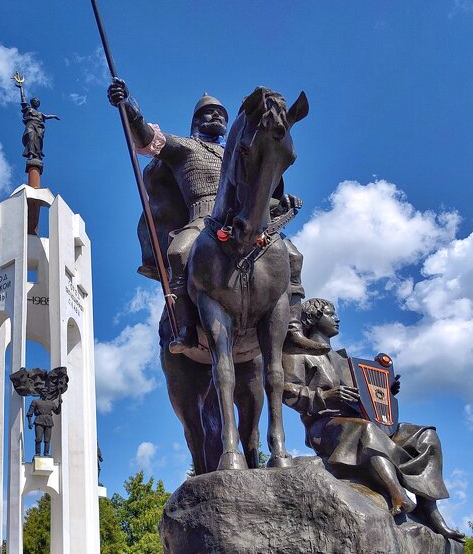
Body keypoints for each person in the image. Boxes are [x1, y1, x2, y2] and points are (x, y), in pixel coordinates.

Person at [108, 78, 319, 355]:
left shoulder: (242, 148)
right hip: (203, 219)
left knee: (292, 255)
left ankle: (291, 328)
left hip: (247, 218)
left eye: (221, 113)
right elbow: (147, 140)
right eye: (208, 112)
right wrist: (129, 105)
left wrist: (279, 201)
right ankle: (184, 326)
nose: (216, 115)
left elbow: (263, 184)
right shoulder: (184, 147)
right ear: (195, 120)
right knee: (179, 252)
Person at [282, 298, 463, 541]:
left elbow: (368, 396)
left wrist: (387, 390)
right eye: (330, 313)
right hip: (326, 427)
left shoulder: (346, 361)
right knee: (365, 430)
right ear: (313, 319)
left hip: (364, 421)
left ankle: (430, 510)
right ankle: (397, 493)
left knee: (426, 435)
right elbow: (284, 391)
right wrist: (324, 395)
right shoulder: (297, 352)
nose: (337, 319)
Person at [27, 392, 62, 458]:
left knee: (47, 439)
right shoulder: (35, 402)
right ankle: (38, 453)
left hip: (48, 421)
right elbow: (29, 413)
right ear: (41, 393)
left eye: (46, 392)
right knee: (38, 438)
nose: (45, 394)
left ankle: (46, 453)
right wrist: (29, 422)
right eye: (43, 392)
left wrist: (60, 404)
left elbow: (57, 412)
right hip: (39, 420)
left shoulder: (51, 403)